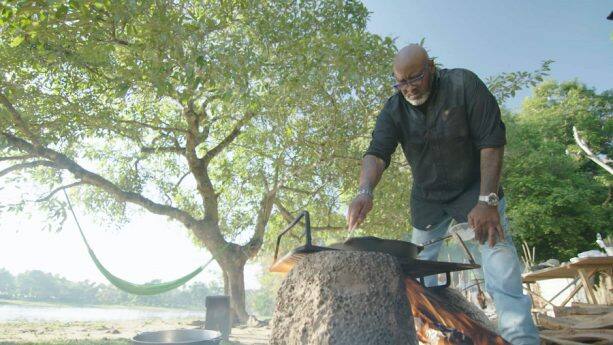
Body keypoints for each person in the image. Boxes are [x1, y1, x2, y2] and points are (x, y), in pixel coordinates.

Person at [346, 44, 539, 344]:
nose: (408, 88)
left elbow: (492, 141)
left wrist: (487, 200)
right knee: (418, 273)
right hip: (428, 199)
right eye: (401, 81)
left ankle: (521, 339)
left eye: (415, 78)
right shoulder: (393, 109)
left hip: (476, 190)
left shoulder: (464, 85)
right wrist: (364, 192)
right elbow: (377, 154)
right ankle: (438, 335)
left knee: (500, 267)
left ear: (432, 68)